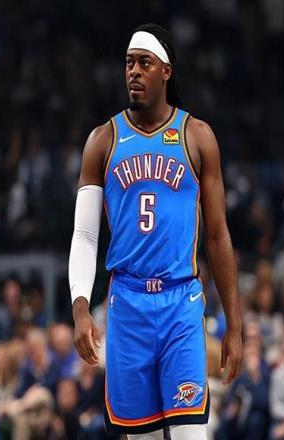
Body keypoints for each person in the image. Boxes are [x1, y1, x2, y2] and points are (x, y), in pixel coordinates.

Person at [68, 23, 242, 439]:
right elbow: (85, 236)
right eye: (129, 63)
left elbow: (218, 237)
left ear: (166, 70)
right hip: (127, 305)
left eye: (144, 63)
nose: (134, 71)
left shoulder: (197, 136)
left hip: (181, 302)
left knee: (190, 435)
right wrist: (79, 307)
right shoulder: (102, 141)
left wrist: (235, 325)